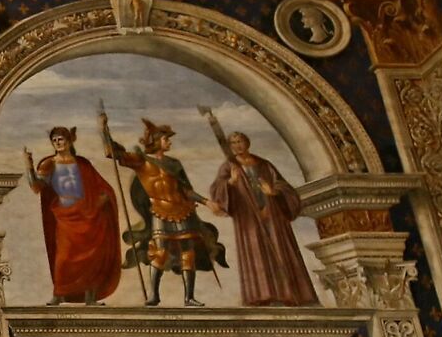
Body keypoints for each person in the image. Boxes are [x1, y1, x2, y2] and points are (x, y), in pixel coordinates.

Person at [100, 113, 226, 306]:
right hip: (160, 210)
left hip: (183, 211)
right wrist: (103, 130)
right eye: (167, 139)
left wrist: (207, 201)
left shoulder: (174, 164)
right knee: (159, 252)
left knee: (188, 252)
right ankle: (154, 296)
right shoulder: (141, 160)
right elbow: (113, 152)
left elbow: (186, 190)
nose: (170, 142)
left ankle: (189, 297)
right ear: (157, 141)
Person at [198, 109, 316, 307]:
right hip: (248, 217)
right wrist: (231, 183)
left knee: (280, 248)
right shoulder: (229, 167)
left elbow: (283, 186)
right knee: (256, 253)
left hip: (272, 214)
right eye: (233, 143)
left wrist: (273, 192)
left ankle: (290, 294)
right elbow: (217, 189)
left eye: (240, 141)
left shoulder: (264, 164)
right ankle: (263, 294)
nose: (237, 146)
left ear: (247, 143)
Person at [24, 126, 122, 304]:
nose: (57, 143)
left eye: (61, 139)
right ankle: (58, 294)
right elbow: (36, 187)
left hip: (88, 214)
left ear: (69, 141)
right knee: (64, 257)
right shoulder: (49, 164)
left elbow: (100, 185)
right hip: (65, 216)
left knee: (92, 258)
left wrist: (104, 197)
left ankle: (90, 297)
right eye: (54, 140)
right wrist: (29, 166)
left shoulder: (83, 163)